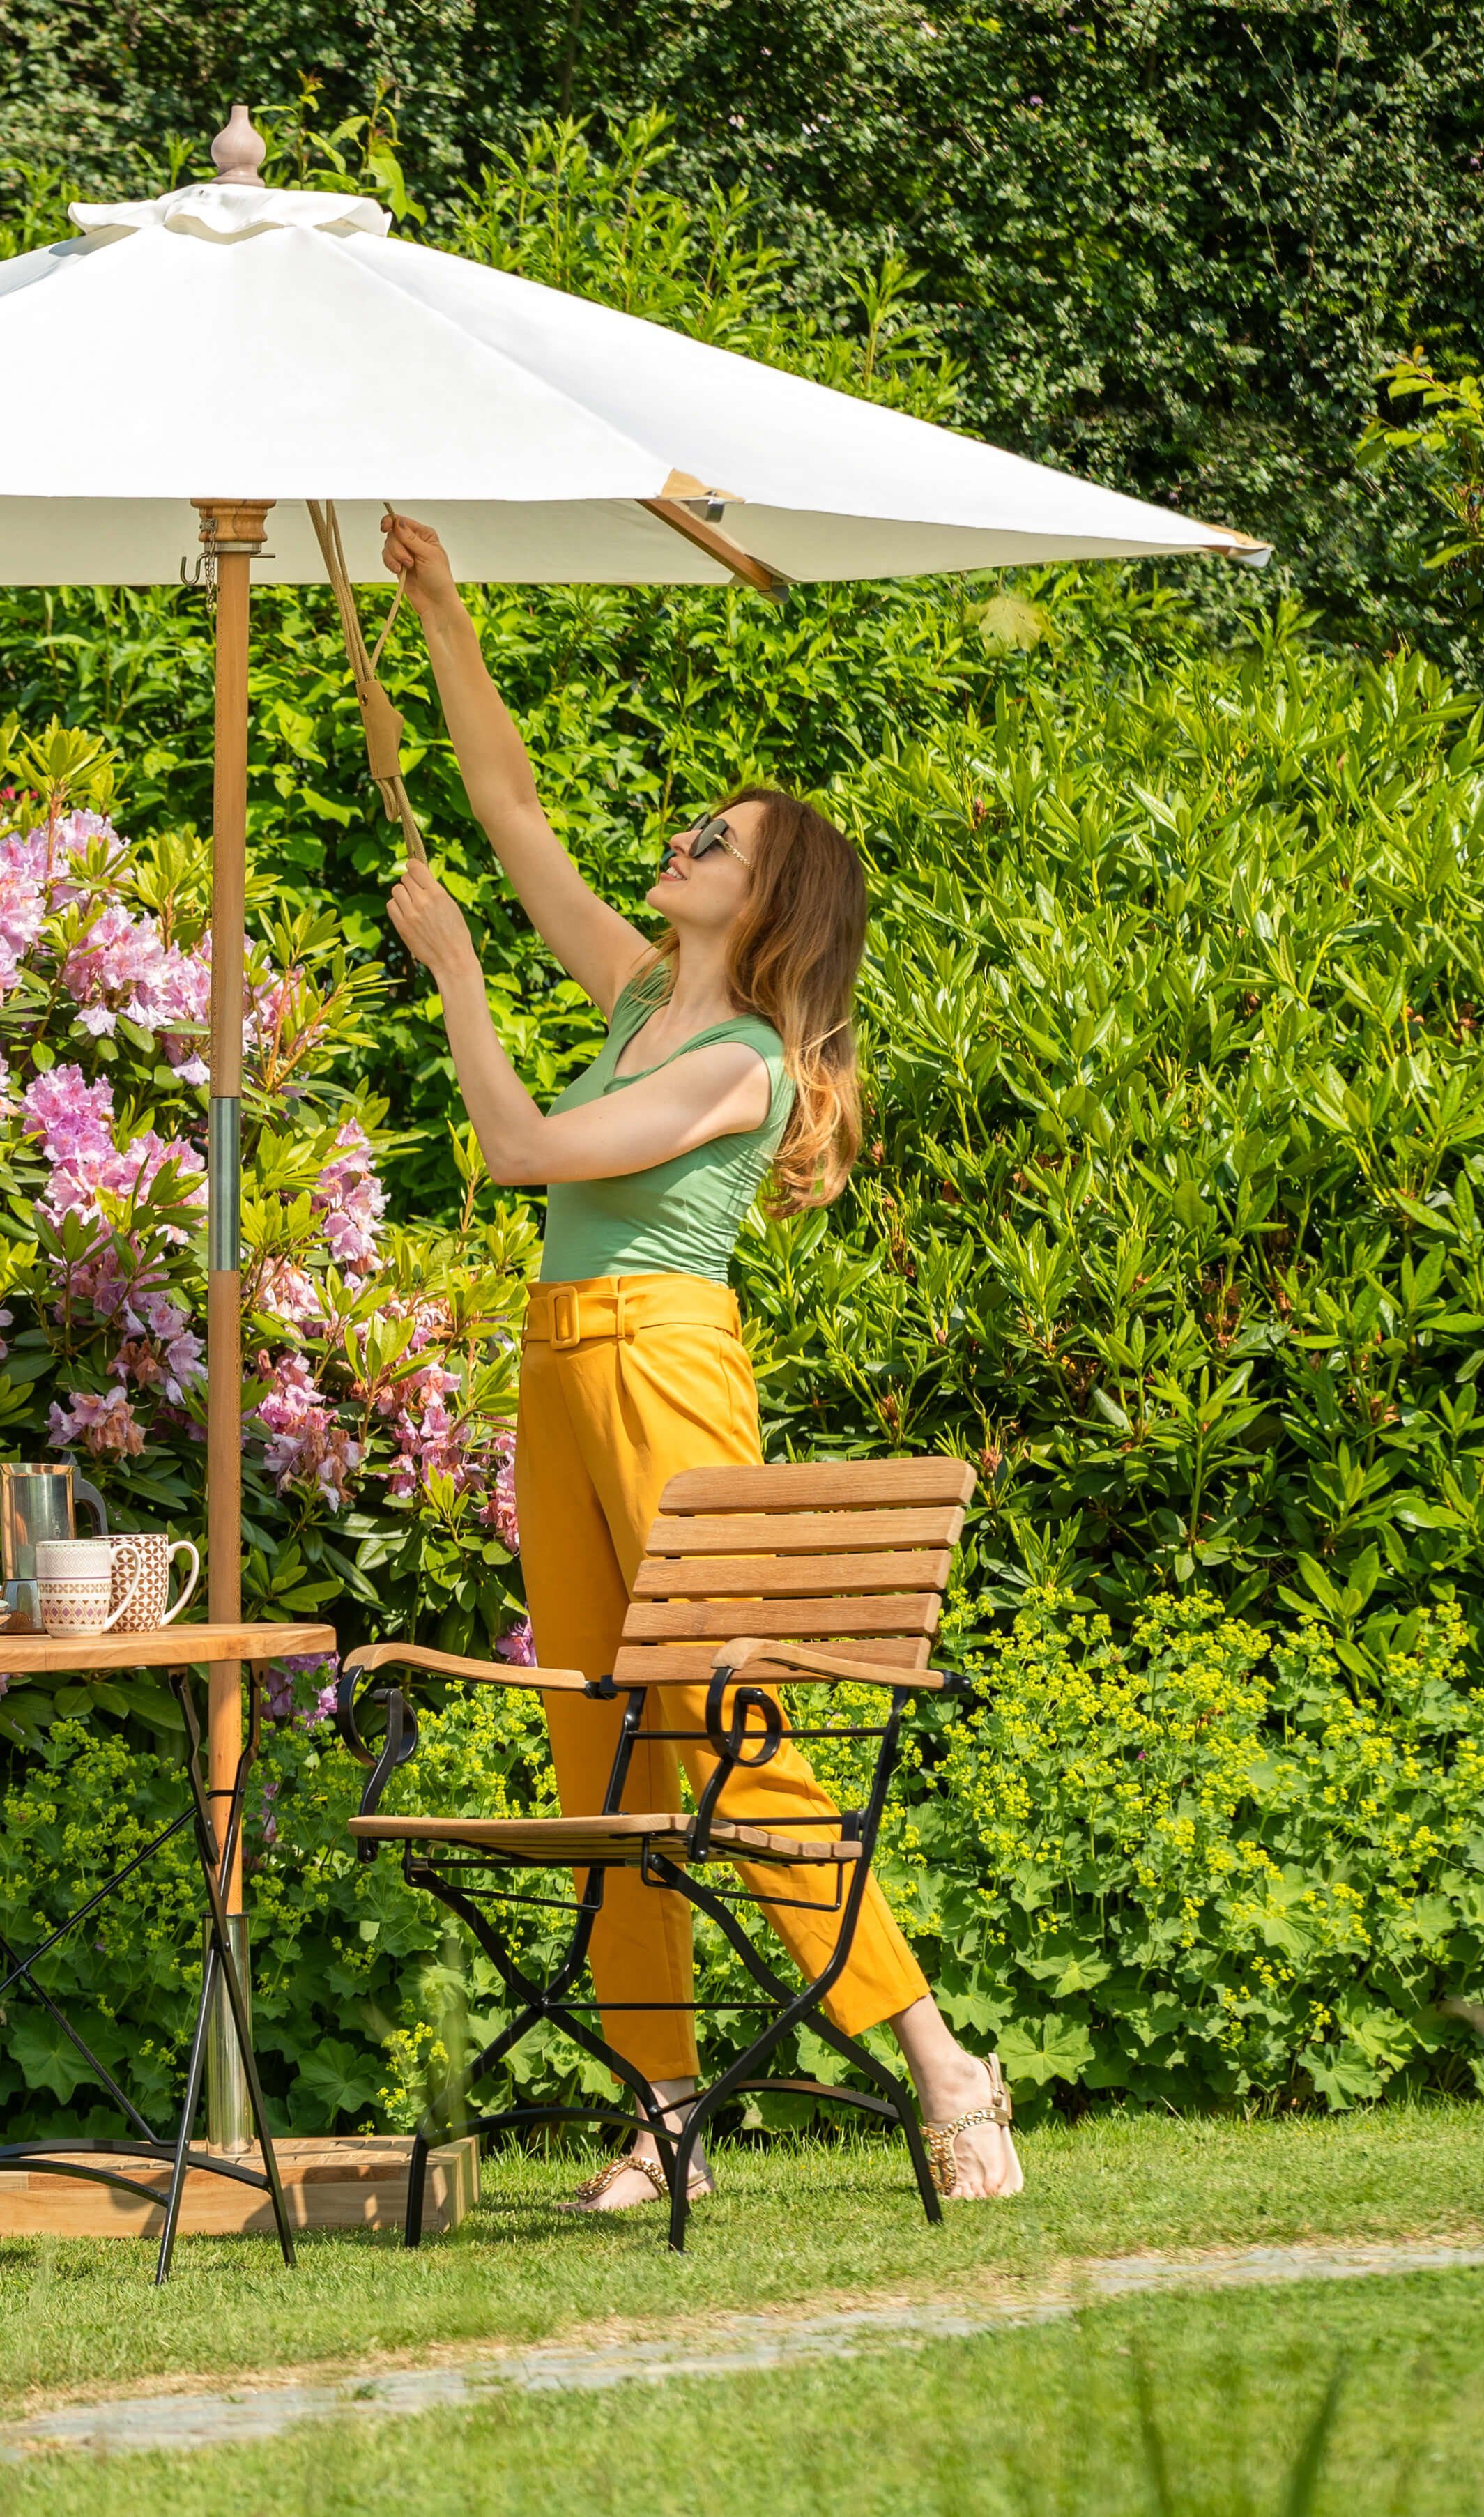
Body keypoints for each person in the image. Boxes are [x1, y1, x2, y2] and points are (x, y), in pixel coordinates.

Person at [374, 511, 1022, 2210]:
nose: (678, 843)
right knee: (599, 1742)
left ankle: (938, 2056)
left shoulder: (736, 1057)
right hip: (553, 1355)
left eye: (713, 841)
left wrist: (450, 977)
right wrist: (440, 608)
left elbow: (517, 1151)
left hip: (662, 1360)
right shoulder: (632, 999)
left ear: (774, 896)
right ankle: (664, 2107)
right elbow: (509, 815)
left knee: (724, 1722)